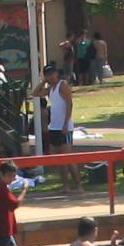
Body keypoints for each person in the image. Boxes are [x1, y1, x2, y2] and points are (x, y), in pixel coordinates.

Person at [33, 64, 79, 192]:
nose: (51, 77)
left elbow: (69, 104)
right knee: (58, 159)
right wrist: (43, 82)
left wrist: (65, 124)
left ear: (56, 73)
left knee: (68, 158)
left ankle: (78, 185)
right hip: (53, 127)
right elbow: (34, 93)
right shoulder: (51, 88)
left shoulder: (62, 85)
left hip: (64, 127)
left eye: (52, 74)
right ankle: (65, 186)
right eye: (48, 74)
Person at [0, 160, 23, 246]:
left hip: (1, 230)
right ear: (1, 174)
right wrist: (24, 190)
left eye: (13, 176)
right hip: (3, 230)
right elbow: (15, 203)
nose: (12, 179)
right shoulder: (1, 188)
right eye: (10, 176)